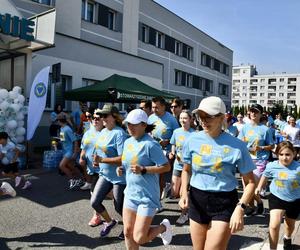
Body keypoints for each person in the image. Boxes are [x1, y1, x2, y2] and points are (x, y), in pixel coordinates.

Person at [179, 96, 256, 250]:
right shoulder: (192, 140)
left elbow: (251, 183)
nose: (203, 121)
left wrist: (240, 208)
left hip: (224, 201)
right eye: (200, 116)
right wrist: (183, 194)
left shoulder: (238, 146)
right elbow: (186, 170)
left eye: (208, 117)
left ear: (222, 117)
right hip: (197, 199)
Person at [117, 109, 172, 249]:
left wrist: (145, 169)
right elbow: (127, 164)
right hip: (130, 193)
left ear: (143, 125)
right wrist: (121, 169)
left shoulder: (150, 144)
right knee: (128, 232)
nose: (130, 127)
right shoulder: (128, 142)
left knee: (140, 237)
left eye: (134, 125)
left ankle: (163, 228)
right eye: (128, 124)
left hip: (147, 196)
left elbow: (166, 167)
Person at [91, 104, 127, 238]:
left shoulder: (119, 133)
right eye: (101, 116)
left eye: (105, 115)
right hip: (105, 175)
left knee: (119, 207)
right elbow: (99, 151)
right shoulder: (103, 132)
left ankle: (129, 227)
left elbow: (123, 158)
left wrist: (102, 160)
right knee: (94, 202)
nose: (102, 118)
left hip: (119, 177)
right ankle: (110, 222)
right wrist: (96, 160)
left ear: (114, 117)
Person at [255, 141, 300, 250]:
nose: (284, 158)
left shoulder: (298, 168)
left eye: (288, 154)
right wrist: (259, 187)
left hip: (295, 199)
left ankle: (287, 237)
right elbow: (265, 176)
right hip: (277, 197)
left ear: (294, 154)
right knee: (274, 225)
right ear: (277, 154)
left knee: (290, 225)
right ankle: (273, 248)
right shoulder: (272, 166)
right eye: (281, 154)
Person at [238, 103, 275, 216]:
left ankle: (257, 203)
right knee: (246, 187)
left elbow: (272, 146)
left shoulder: (266, 129)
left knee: (252, 186)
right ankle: (252, 206)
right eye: (251, 111)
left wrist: (261, 147)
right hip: (247, 159)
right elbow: (240, 142)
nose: (253, 113)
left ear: (260, 114)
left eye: (256, 111)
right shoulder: (245, 127)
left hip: (260, 161)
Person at [148, 96, 179, 199]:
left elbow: (178, 136)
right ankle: (163, 187)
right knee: (152, 177)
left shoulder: (171, 119)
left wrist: (168, 142)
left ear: (163, 107)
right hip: (152, 150)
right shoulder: (151, 118)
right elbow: (147, 133)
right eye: (153, 107)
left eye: (156, 107)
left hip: (165, 151)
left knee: (159, 176)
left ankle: (157, 202)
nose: (154, 110)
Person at [169, 110, 195, 225]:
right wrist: (172, 153)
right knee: (174, 192)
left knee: (182, 192)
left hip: (188, 167)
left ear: (190, 119)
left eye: (185, 118)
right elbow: (173, 144)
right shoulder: (176, 131)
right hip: (177, 165)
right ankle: (188, 207)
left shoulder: (194, 134)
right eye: (181, 118)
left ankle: (184, 214)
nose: (182, 120)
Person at [57, 113, 83, 189]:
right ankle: (82, 179)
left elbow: (75, 141)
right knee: (71, 166)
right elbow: (64, 140)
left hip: (69, 151)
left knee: (61, 166)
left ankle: (73, 179)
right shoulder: (62, 128)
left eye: (57, 120)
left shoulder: (67, 129)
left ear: (59, 121)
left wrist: (75, 152)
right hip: (65, 151)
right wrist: (59, 142)